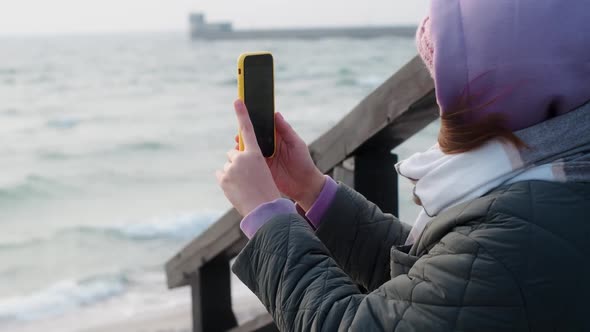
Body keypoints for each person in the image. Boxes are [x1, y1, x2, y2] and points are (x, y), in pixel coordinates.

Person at [216, 1, 590, 330]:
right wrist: (312, 190)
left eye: (448, 78)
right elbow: (435, 292)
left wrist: (267, 217)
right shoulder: (554, 179)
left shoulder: (518, 235)